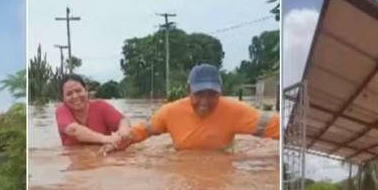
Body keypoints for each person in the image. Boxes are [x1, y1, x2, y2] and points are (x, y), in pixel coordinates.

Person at [104, 64, 278, 153]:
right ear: (188, 91)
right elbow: (141, 131)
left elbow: (275, 126)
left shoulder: (235, 111)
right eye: (199, 94)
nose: (205, 101)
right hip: (182, 164)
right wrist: (117, 143)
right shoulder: (170, 112)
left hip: (223, 162)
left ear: (221, 93)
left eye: (212, 94)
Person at [55, 73, 132, 146]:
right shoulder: (62, 110)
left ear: (86, 91)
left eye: (78, 91)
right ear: (63, 98)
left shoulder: (101, 106)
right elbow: (73, 130)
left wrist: (123, 130)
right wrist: (106, 139)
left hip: (106, 156)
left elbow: (123, 120)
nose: (75, 96)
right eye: (69, 94)